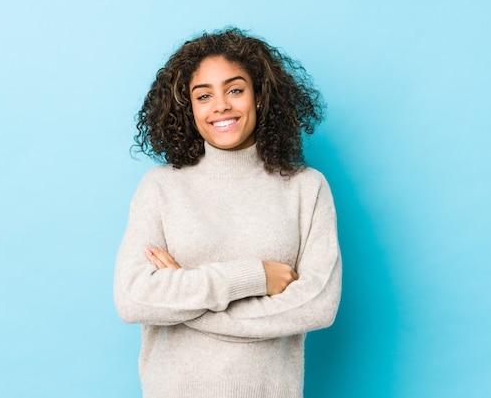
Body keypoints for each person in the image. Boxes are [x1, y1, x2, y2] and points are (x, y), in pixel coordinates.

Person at [114, 27, 342, 398]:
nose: (220, 105)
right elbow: (134, 297)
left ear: (260, 96)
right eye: (203, 96)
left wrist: (189, 300)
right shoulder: (160, 188)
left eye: (235, 90)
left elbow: (317, 305)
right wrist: (254, 277)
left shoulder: (306, 187)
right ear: (188, 108)